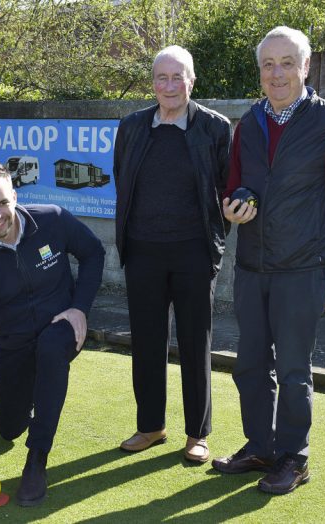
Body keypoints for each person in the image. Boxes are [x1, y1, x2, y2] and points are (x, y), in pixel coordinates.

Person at [211, 26, 325, 494]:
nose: (277, 73)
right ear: (260, 71)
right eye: (268, 64)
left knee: (294, 369)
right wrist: (231, 205)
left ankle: (294, 457)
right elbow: (235, 186)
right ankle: (260, 446)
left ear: (306, 67)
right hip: (252, 267)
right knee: (250, 365)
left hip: (304, 268)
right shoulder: (248, 123)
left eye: (287, 63)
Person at [0, 162, 105, 507]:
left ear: (15, 196)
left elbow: (93, 253)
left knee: (50, 349)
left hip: (61, 326)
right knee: (8, 429)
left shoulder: (52, 219)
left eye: (2, 203)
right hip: (12, 343)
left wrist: (79, 307)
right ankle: (22, 402)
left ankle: (37, 459)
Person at [113, 46, 231, 463]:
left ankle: (197, 434)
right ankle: (150, 427)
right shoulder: (131, 127)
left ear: (192, 80)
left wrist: (214, 242)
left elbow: (225, 190)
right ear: (153, 83)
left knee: (195, 343)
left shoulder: (215, 128)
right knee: (146, 342)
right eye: (161, 77)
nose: (168, 85)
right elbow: (122, 181)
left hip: (194, 253)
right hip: (143, 250)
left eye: (176, 77)